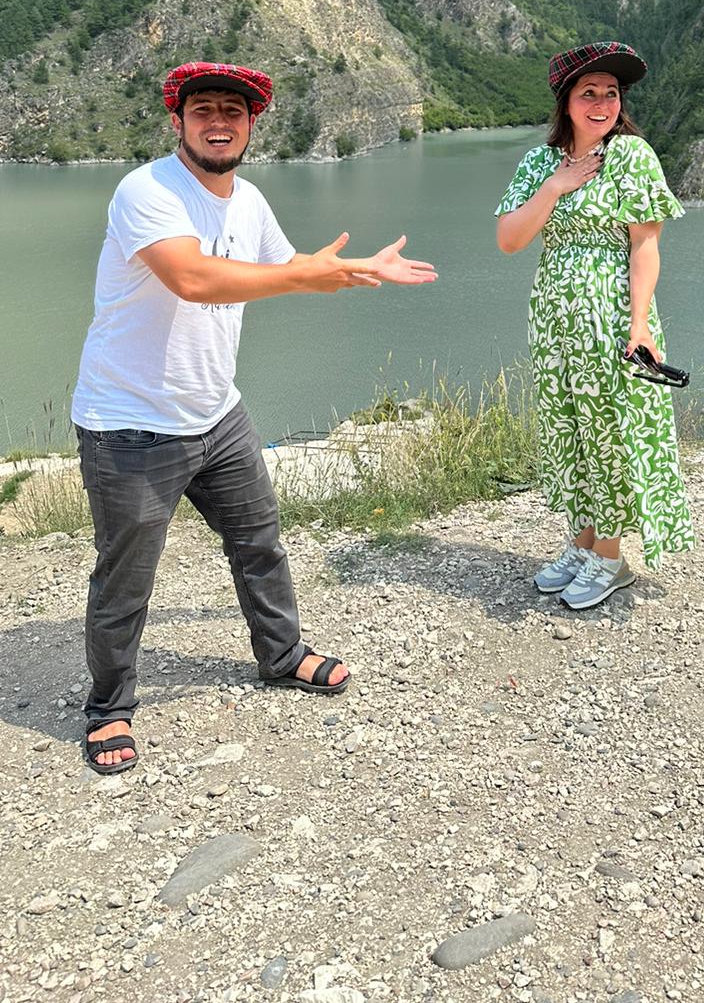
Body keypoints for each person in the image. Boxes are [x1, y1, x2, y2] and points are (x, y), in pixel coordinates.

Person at [70, 60, 436, 773]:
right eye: (203, 109)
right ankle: (108, 707)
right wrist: (306, 273)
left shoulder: (249, 200)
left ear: (251, 125)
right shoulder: (147, 190)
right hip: (131, 424)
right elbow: (193, 277)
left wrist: (360, 268)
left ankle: (282, 654)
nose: (218, 122)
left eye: (232, 112)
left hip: (217, 413)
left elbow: (290, 267)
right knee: (126, 577)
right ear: (177, 120)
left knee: (259, 542)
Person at [495, 41, 693, 609]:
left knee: (609, 431)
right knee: (569, 428)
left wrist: (640, 326)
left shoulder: (632, 157)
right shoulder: (539, 164)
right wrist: (557, 185)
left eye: (611, 93)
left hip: (611, 317)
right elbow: (510, 240)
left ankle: (611, 556)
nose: (602, 103)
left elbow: (645, 246)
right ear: (566, 101)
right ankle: (582, 544)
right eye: (589, 93)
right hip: (554, 319)